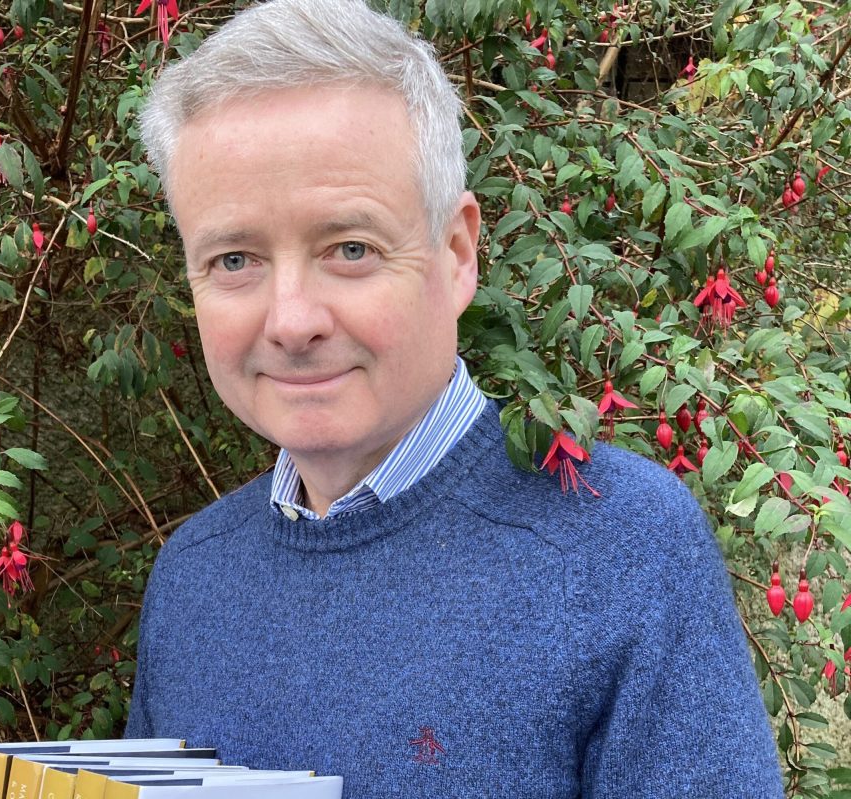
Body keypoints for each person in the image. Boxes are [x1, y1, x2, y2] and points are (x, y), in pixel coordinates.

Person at [125, 1, 784, 796]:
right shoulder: (193, 580)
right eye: (234, 260)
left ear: (457, 254)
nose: (291, 320)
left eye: (351, 248)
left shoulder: (623, 551)